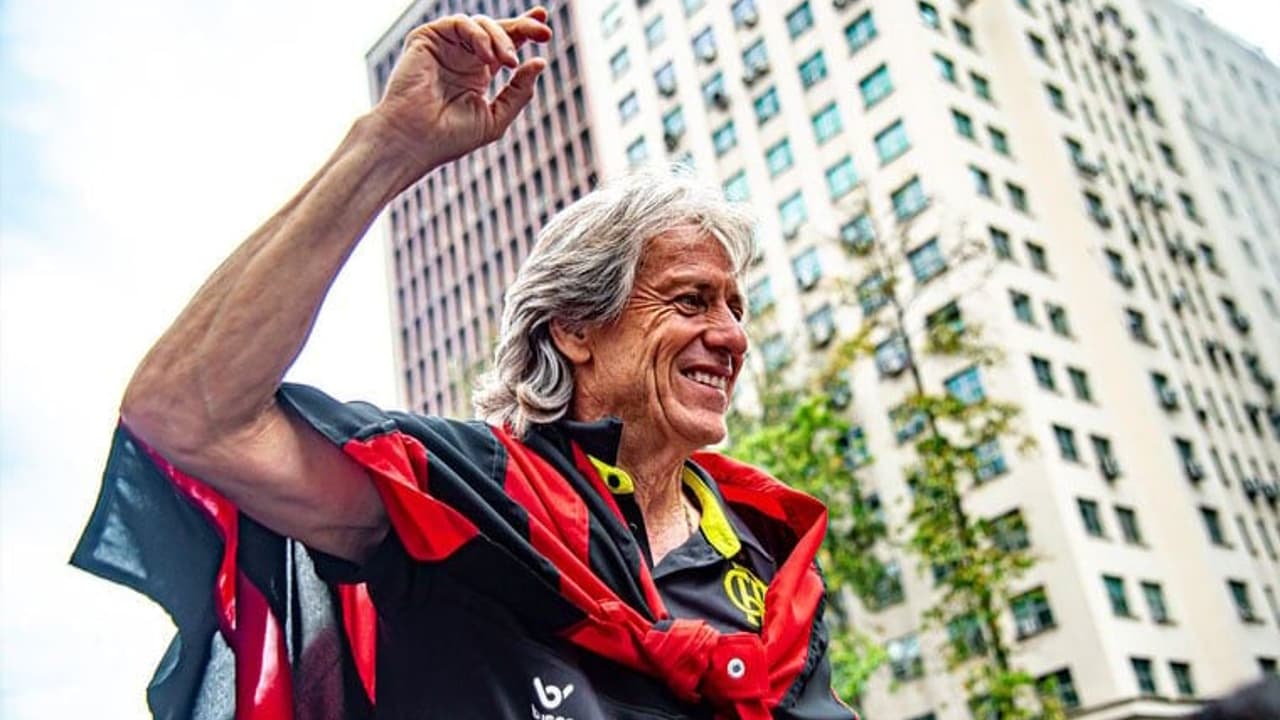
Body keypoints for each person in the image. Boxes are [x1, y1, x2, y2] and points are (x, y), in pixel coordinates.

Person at [72, 7, 855, 719]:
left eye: (735, 308)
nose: (730, 336)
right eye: (690, 302)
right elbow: (188, 412)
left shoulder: (772, 558)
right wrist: (389, 147)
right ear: (576, 328)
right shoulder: (463, 491)